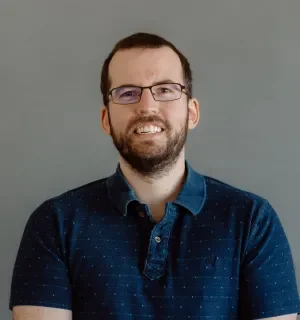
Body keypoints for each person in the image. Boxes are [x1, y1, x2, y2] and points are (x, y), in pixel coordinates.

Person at [9, 32, 300, 320]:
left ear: (192, 112)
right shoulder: (55, 223)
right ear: (106, 119)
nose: (146, 106)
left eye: (165, 89)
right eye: (127, 93)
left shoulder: (252, 221)